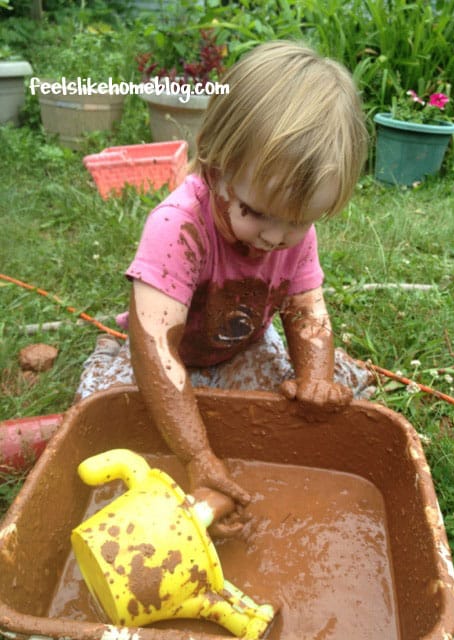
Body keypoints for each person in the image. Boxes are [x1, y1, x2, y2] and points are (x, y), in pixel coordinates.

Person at [76, 40, 374, 512]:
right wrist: (195, 454)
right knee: (105, 413)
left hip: (240, 343)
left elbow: (306, 308)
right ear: (217, 169)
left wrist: (315, 377)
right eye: (255, 213)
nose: (276, 238)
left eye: (297, 221)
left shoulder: (293, 233)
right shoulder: (179, 227)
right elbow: (155, 349)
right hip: (165, 358)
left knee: (305, 406)